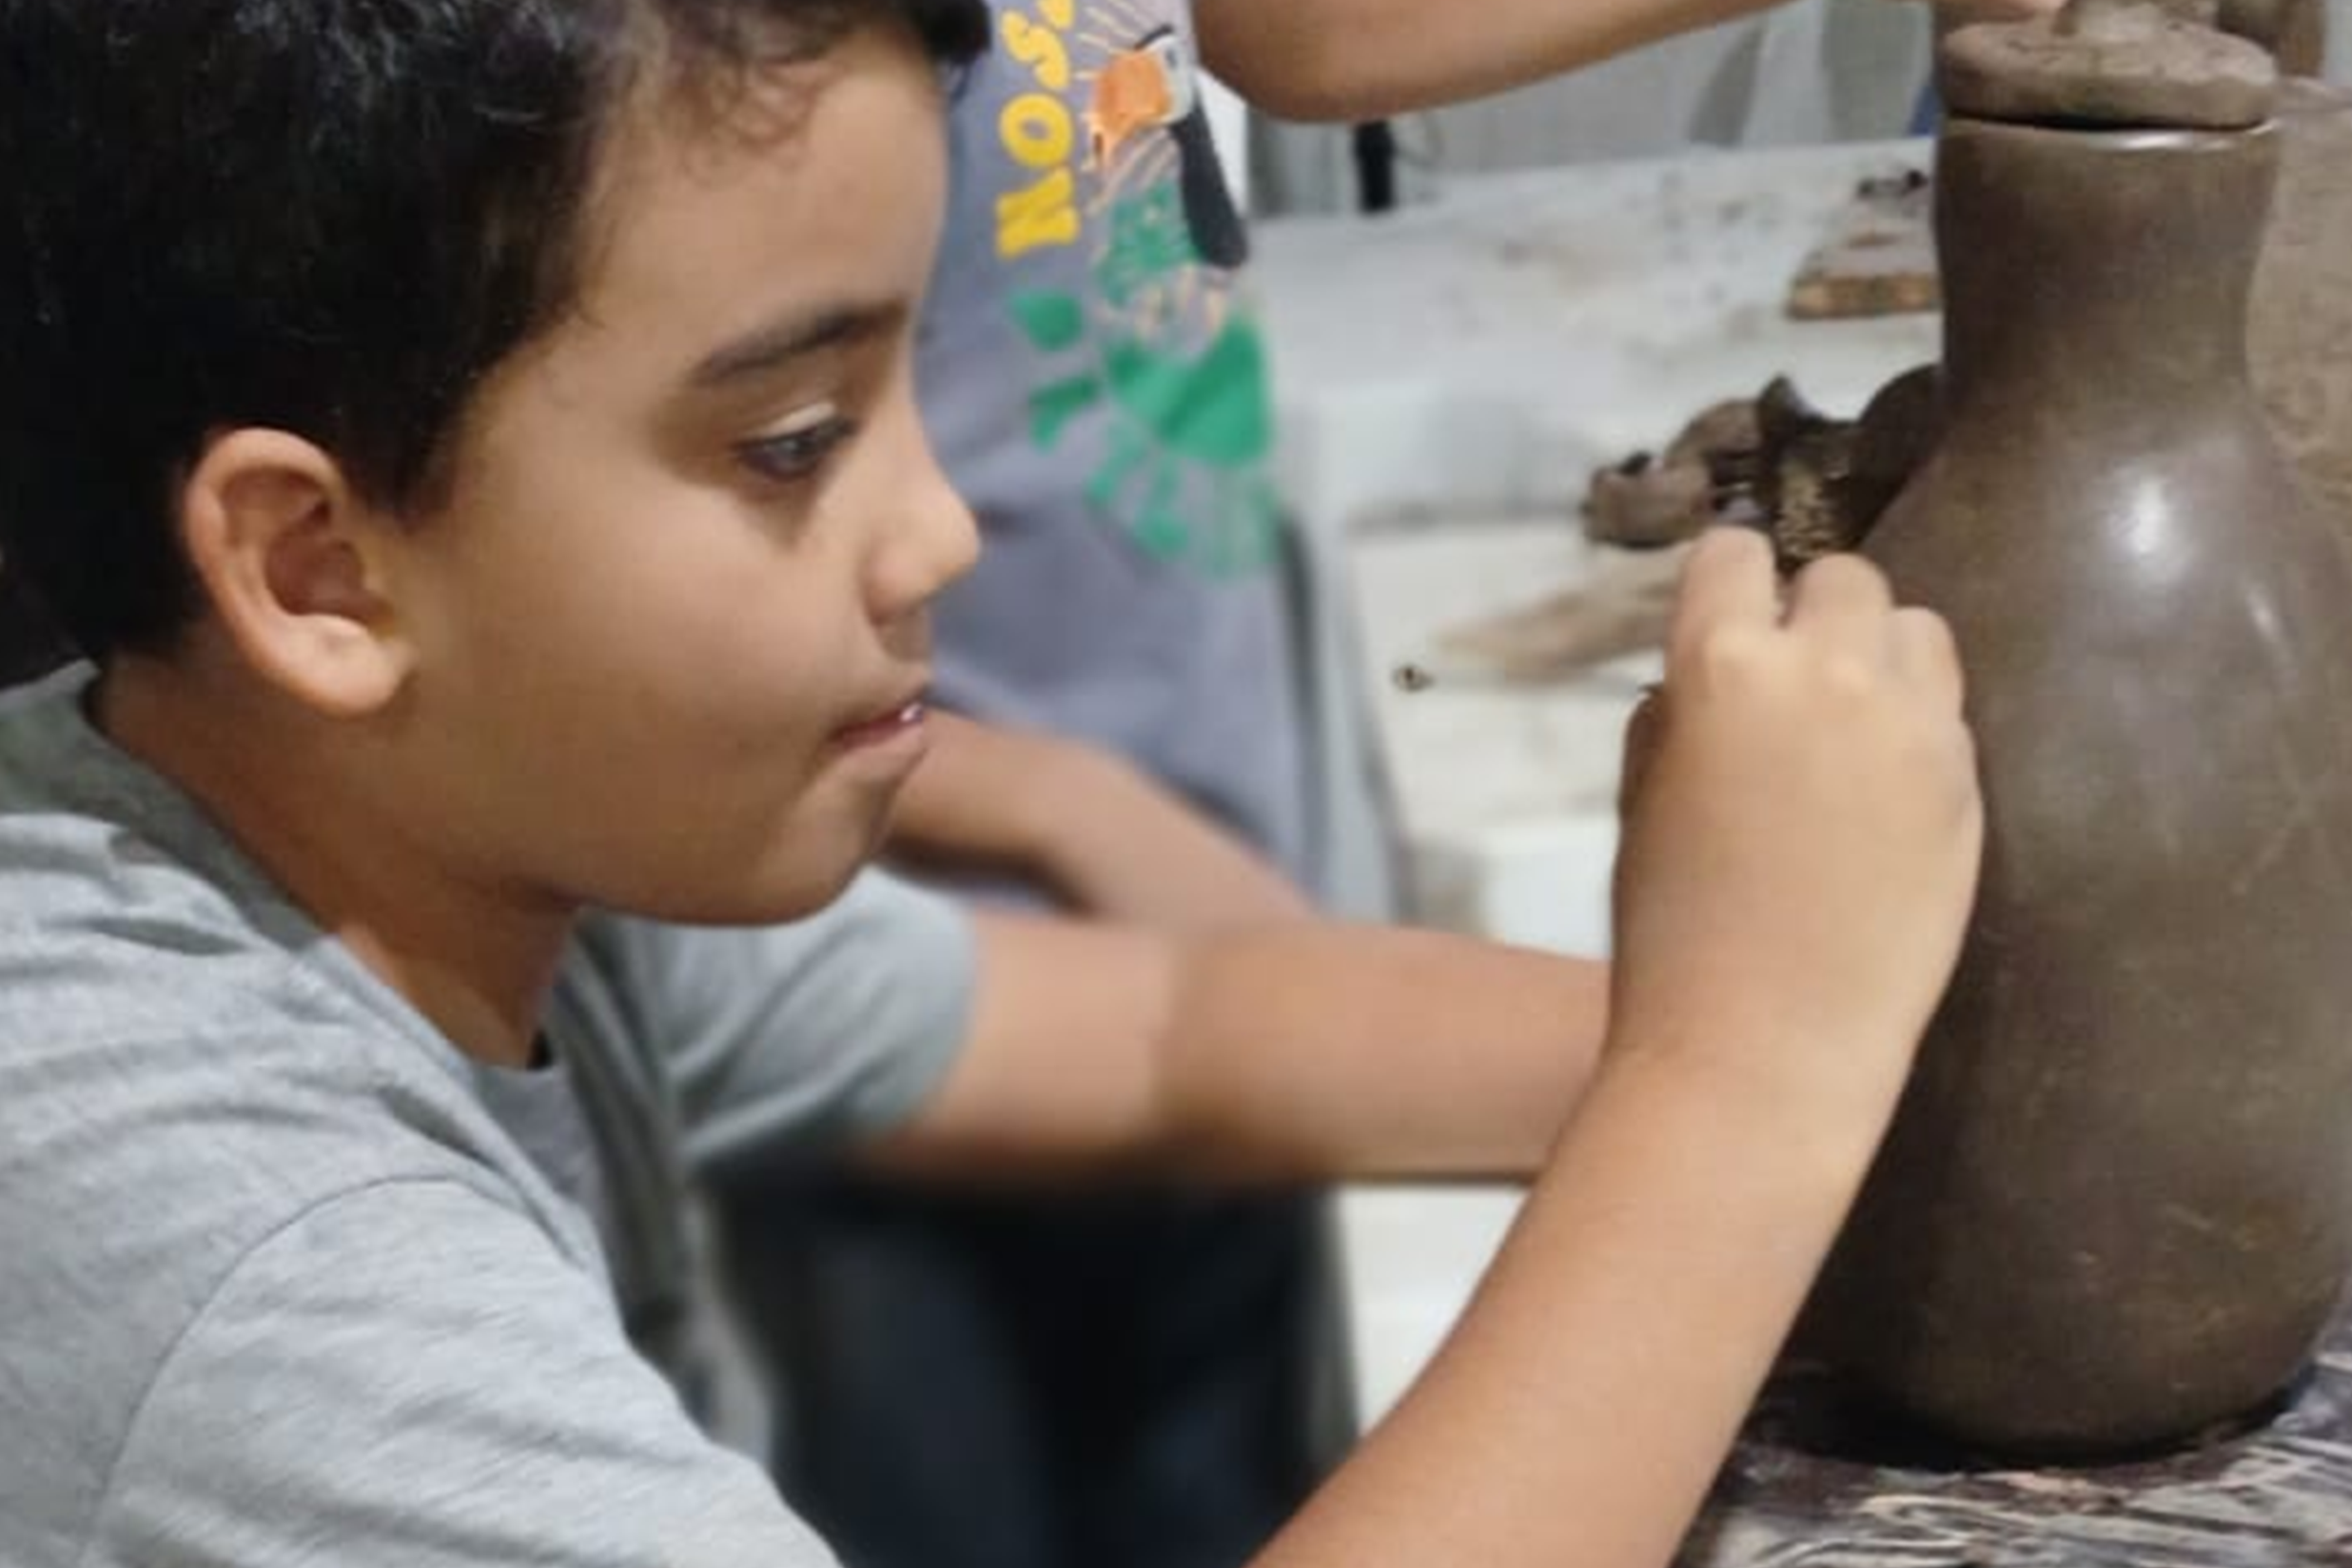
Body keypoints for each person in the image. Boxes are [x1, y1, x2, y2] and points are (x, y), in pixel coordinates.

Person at [0, 6, 1982, 1568]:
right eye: (795, 441)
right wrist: (1743, 1083)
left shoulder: (464, 858)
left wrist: (1835, 1024)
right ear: (319, 573)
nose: (938, 527)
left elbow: (1175, 1032)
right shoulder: (240, 1249)